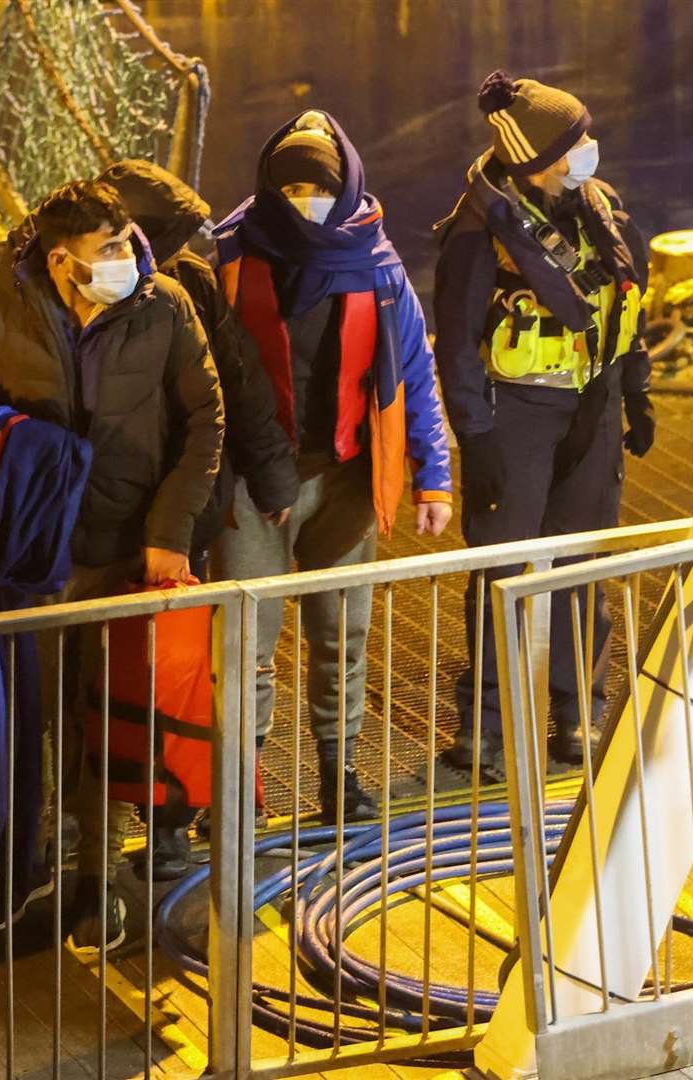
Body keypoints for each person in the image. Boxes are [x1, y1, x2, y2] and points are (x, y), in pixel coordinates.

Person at [0, 179, 223, 952]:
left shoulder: (162, 306)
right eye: (110, 250)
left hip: (127, 551)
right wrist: (23, 471)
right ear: (62, 262)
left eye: (127, 242)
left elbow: (203, 419)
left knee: (112, 723)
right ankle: (28, 868)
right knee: (34, 718)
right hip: (36, 556)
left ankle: (99, 880)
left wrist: (170, 529)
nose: (129, 259)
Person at [212, 110, 453, 823]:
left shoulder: (376, 264)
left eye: (316, 187)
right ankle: (240, 787)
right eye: (287, 188)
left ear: (344, 186)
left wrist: (433, 473)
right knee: (245, 647)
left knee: (339, 642)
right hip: (254, 485)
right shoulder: (229, 254)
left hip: (344, 478)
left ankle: (337, 777)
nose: (302, 201)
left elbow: (414, 367)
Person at [433, 71, 654, 779]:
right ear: (538, 159)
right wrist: (478, 439)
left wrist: (636, 391)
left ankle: (575, 708)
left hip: (593, 401)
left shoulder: (600, 206)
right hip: (515, 417)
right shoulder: (477, 230)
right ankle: (485, 724)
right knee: (500, 569)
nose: (588, 148)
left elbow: (626, 303)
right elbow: (458, 345)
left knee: (580, 559)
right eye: (574, 140)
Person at [96, 159, 297, 876]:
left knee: (179, 674)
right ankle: (82, 842)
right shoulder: (52, 291)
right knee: (94, 683)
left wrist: (269, 473)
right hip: (92, 524)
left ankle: (176, 817)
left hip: (175, 521)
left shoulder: (187, 286)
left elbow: (231, 392)